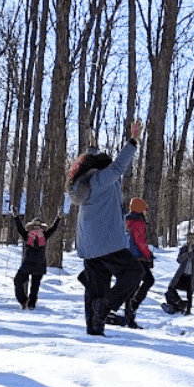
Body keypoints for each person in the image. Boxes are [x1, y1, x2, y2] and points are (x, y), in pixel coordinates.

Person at [67, 121, 146, 336]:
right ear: (103, 168)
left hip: (88, 245)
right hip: (107, 243)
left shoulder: (83, 182)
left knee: (96, 288)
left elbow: (95, 161)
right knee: (134, 272)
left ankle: (94, 328)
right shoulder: (101, 180)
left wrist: (92, 148)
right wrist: (133, 141)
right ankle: (106, 306)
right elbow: (119, 166)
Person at [110, 197, 154, 328]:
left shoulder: (125, 220)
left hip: (127, 256)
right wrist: (148, 255)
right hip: (138, 258)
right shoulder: (138, 223)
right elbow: (140, 241)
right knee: (148, 281)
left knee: (133, 286)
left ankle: (129, 317)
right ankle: (132, 307)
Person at [11, 213, 62, 308]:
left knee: (18, 281)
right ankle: (31, 304)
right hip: (40, 265)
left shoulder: (27, 235)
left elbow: (20, 228)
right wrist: (58, 218)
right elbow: (53, 229)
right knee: (35, 286)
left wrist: (16, 217)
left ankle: (23, 301)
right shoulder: (44, 235)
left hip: (28, 264)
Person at [163, 232, 194, 315]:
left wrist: (191, 253)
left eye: (192, 238)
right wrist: (186, 254)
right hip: (182, 274)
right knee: (170, 289)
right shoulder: (183, 249)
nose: (191, 240)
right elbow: (179, 260)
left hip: (193, 275)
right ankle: (177, 305)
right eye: (189, 238)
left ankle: (188, 310)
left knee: (190, 293)